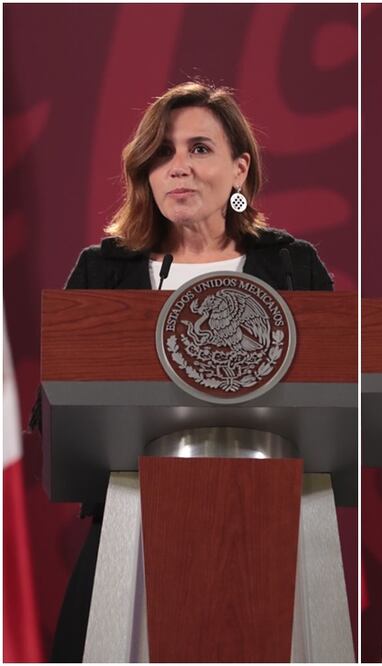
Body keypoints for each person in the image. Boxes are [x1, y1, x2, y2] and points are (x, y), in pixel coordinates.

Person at [46, 81, 333, 661]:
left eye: (199, 149)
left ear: (239, 169)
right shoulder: (105, 270)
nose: (178, 167)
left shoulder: (290, 264)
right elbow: (56, 402)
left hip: (268, 513)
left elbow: (334, 392)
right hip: (133, 517)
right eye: (162, 152)